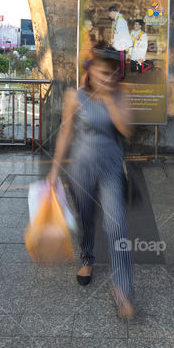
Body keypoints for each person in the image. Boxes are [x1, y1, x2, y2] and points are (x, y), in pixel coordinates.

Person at [47, 45, 135, 319]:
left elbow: (127, 130)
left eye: (112, 74)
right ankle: (87, 258)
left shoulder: (121, 97)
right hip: (81, 169)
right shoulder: (75, 96)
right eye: (101, 73)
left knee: (117, 225)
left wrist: (109, 99)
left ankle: (123, 289)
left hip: (111, 169)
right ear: (90, 71)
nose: (106, 78)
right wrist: (54, 171)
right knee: (86, 219)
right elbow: (65, 133)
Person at [108, 6, 132, 79]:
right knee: (118, 60)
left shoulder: (120, 20)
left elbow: (121, 34)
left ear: (113, 12)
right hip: (119, 44)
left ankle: (121, 75)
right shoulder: (118, 19)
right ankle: (119, 74)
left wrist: (114, 40)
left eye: (110, 14)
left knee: (121, 61)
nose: (109, 15)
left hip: (121, 44)